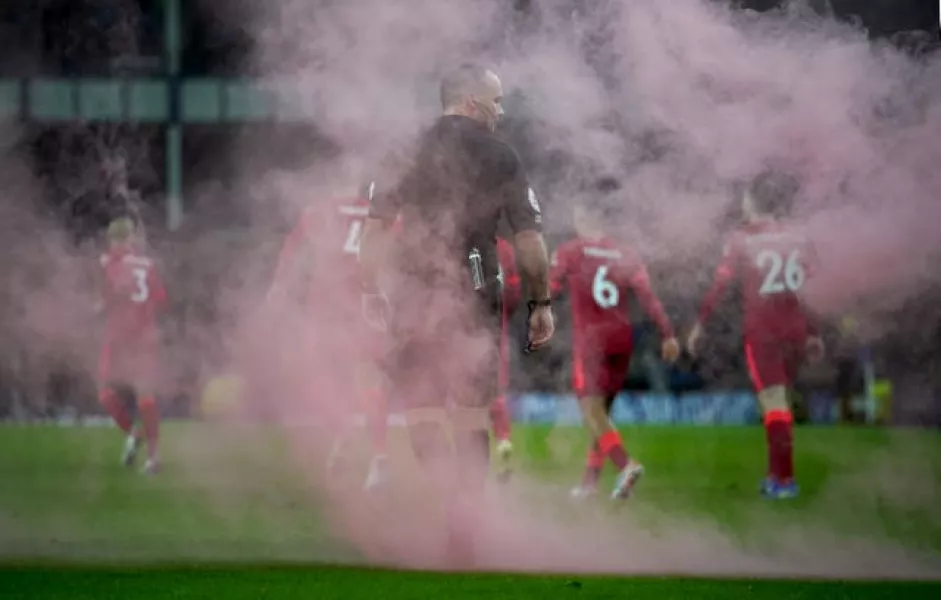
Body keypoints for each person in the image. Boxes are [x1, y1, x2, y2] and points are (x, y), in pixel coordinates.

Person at [359, 63, 553, 562]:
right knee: (470, 411)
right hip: (478, 280)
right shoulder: (502, 155)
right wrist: (540, 302)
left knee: (421, 404)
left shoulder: (404, 150)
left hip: (415, 283)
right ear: (469, 101)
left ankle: (448, 499)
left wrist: (370, 290)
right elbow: (529, 242)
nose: (501, 110)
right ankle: (464, 513)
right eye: (496, 100)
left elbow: (376, 230)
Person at [687, 170, 825, 499]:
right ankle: (775, 475)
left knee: (773, 404)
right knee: (780, 402)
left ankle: (785, 481)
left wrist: (699, 324)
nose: (742, 204)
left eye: (745, 197)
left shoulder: (741, 239)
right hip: (795, 328)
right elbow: (815, 290)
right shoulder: (800, 237)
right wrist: (814, 332)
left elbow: (720, 286)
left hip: (763, 330)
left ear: (754, 201)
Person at [551, 177, 679, 500]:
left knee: (591, 411)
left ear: (584, 215)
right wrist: (668, 334)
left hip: (592, 340)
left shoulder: (569, 252)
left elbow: (548, 291)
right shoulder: (625, 253)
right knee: (602, 415)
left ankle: (625, 465)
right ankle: (589, 483)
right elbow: (648, 297)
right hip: (622, 339)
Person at [266, 182, 390, 491]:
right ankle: (378, 458)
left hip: (327, 304)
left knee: (320, 375)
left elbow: (292, 247)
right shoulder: (377, 212)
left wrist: (278, 287)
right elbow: (399, 248)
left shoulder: (321, 208)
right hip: (364, 301)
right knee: (367, 378)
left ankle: (345, 432)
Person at [96, 216, 167, 475]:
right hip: (145, 336)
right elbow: (160, 299)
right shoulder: (148, 265)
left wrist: (100, 307)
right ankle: (153, 455)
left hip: (119, 336)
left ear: (121, 241)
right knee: (145, 396)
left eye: (115, 240)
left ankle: (134, 433)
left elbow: (110, 297)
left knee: (105, 393)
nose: (113, 245)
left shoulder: (110, 265)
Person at [491, 235, 520, 480]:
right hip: (496, 325)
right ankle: (503, 440)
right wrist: (502, 315)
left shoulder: (467, 240)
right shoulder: (505, 248)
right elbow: (514, 290)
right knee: (496, 391)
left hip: (468, 325)